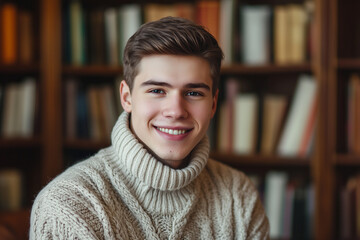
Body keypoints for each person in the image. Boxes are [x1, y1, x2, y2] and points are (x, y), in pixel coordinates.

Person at [30, 16, 269, 239]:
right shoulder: (69, 202)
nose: (175, 110)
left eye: (194, 93)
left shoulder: (238, 195)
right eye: (157, 91)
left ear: (214, 104)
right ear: (127, 97)